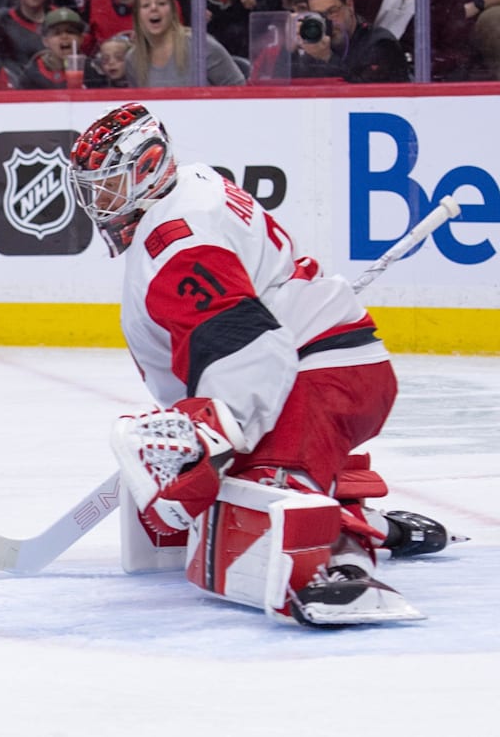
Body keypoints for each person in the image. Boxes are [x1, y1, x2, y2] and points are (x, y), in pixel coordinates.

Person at [63, 102, 456, 626]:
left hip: (313, 376)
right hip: (308, 370)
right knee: (226, 491)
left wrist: (211, 429)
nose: (95, 199)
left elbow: (249, 347)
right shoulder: (189, 190)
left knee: (271, 497)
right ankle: (380, 526)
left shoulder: (176, 241)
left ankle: (340, 570)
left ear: (147, 167)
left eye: (106, 183)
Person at [126, 0, 246, 86]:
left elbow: (238, 88)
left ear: (173, 11)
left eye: (161, 3)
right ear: (137, 16)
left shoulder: (201, 46)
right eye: (146, 5)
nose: (153, 8)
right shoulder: (133, 60)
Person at [292, 0, 410, 82]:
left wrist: (327, 58)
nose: (327, 21)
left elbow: (364, 96)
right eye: (318, 15)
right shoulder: (315, 44)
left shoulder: (381, 44)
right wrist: (290, 51)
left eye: (332, 12)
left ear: (350, 5)